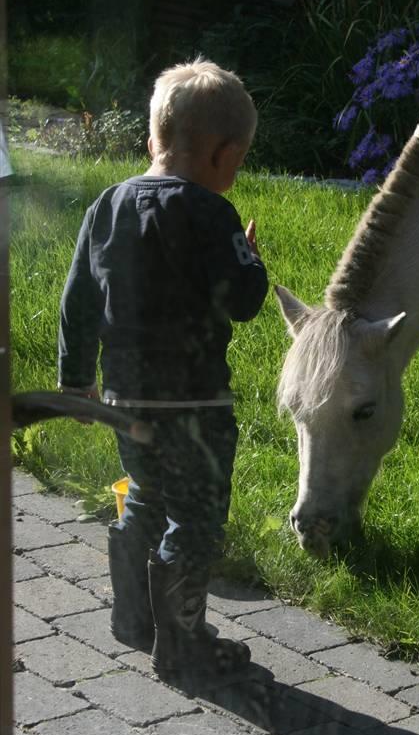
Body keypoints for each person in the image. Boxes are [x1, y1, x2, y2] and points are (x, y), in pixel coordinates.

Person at [57, 58, 268, 684]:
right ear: (225, 155)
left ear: (155, 137)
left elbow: (77, 300)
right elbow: (246, 302)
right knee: (194, 519)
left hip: (125, 399)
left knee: (145, 494)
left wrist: (75, 380)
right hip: (195, 407)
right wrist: (249, 260)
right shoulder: (212, 215)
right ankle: (182, 644)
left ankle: (131, 617)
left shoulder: (108, 205)